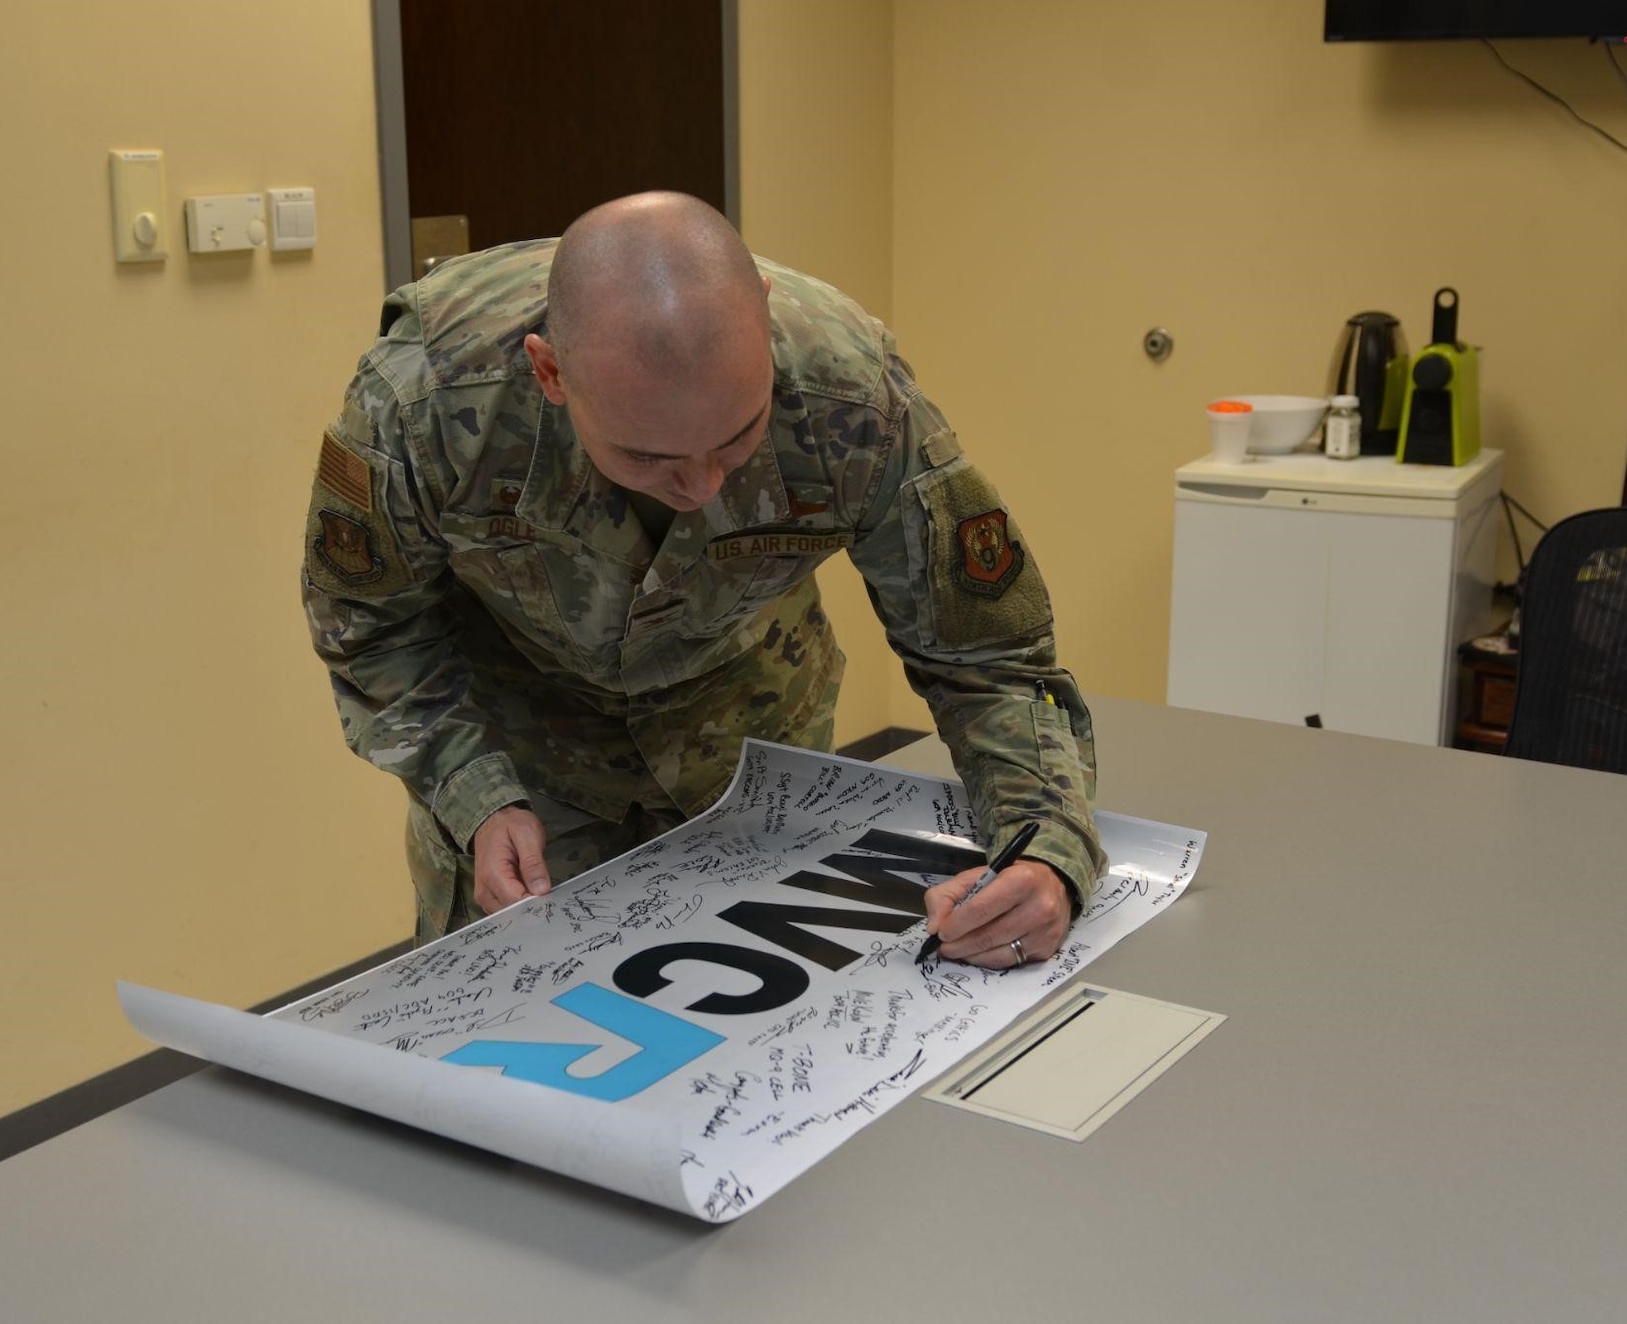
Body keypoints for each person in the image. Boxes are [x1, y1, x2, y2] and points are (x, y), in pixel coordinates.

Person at [302, 192, 1103, 969]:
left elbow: (988, 656)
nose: (704, 487)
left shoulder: (853, 397)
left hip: (752, 746)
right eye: (648, 458)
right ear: (549, 372)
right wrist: (474, 793)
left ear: (762, 310)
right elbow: (371, 626)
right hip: (523, 769)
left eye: (740, 435)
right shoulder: (425, 402)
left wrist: (1046, 848)